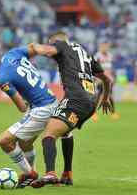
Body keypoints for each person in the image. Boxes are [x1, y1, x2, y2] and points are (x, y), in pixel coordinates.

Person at [27, 31, 113, 188]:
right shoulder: (84, 53)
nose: (52, 46)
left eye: (52, 43)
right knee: (65, 131)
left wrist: (32, 46)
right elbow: (107, 79)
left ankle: (50, 174)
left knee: (49, 134)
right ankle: (67, 174)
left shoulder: (61, 45)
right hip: (90, 103)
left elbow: (45, 51)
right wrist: (106, 97)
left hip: (76, 99)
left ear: (55, 41)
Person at [0, 46, 59, 188]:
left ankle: (30, 173)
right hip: (51, 101)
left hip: (41, 109)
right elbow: (33, 47)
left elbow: (22, 107)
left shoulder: (3, 78)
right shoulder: (12, 54)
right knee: (25, 143)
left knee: (5, 141)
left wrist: (25, 99)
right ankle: (32, 175)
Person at [94, 42, 120, 120]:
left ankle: (113, 113)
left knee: (110, 95)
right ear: (100, 47)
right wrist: (96, 78)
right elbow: (94, 67)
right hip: (101, 79)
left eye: (106, 47)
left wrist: (114, 77)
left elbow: (112, 68)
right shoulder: (97, 56)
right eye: (103, 47)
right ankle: (93, 113)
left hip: (109, 79)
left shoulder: (110, 56)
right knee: (98, 95)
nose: (105, 48)